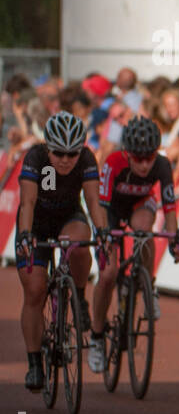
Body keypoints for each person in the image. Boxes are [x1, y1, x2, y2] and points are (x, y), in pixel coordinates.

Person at [88, 117, 179, 374]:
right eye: (138, 158)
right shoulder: (113, 162)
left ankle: (148, 285)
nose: (144, 164)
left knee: (144, 232)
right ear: (127, 153)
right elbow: (101, 205)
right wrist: (104, 234)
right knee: (108, 273)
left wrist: (174, 237)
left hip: (139, 205)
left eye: (149, 157)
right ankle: (97, 337)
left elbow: (169, 207)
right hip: (110, 209)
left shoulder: (163, 165)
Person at [15, 113, 107, 391]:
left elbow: (93, 200)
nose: (65, 160)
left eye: (72, 153)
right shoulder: (35, 158)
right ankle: (34, 364)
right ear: (47, 147)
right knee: (34, 291)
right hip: (36, 224)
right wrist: (24, 236)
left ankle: (78, 297)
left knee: (78, 244)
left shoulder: (88, 159)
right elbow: (28, 202)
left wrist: (103, 232)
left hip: (69, 218)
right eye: (58, 153)